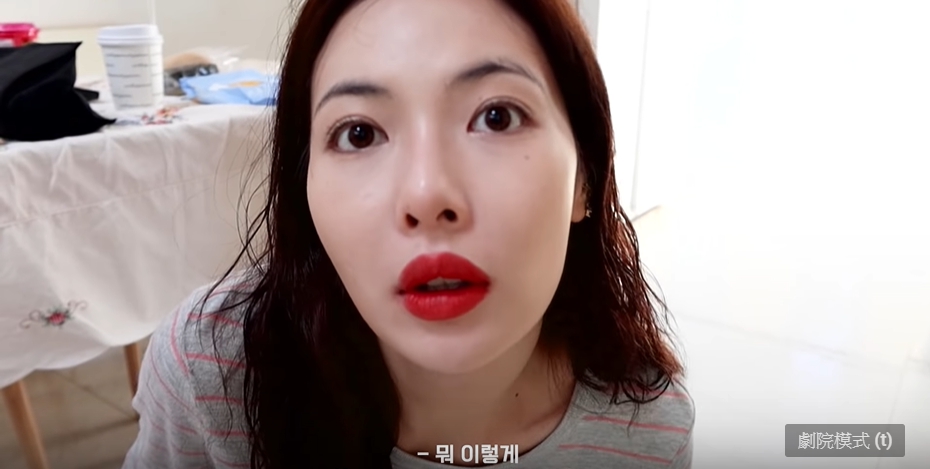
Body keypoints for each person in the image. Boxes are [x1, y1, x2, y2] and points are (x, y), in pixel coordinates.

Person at [122, 0, 694, 467]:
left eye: (497, 116)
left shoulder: (645, 430)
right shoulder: (211, 374)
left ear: (585, 179)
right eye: (360, 134)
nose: (426, 195)